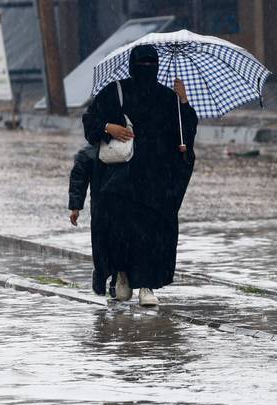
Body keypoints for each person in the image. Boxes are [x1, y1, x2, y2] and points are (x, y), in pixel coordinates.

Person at [82, 44, 198, 306]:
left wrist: (183, 101)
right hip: (119, 179)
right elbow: (90, 122)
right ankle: (121, 277)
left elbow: (185, 134)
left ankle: (147, 284)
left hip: (154, 181)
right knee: (120, 230)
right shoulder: (115, 92)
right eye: (142, 65)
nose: (147, 70)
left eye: (150, 65)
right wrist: (108, 127)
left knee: (151, 232)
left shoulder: (168, 97)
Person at [67, 144, 117, 297]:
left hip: (121, 205)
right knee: (101, 241)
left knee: (118, 242)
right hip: (100, 206)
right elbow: (78, 181)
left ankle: (115, 279)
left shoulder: (126, 151)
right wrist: (75, 207)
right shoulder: (88, 154)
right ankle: (102, 276)